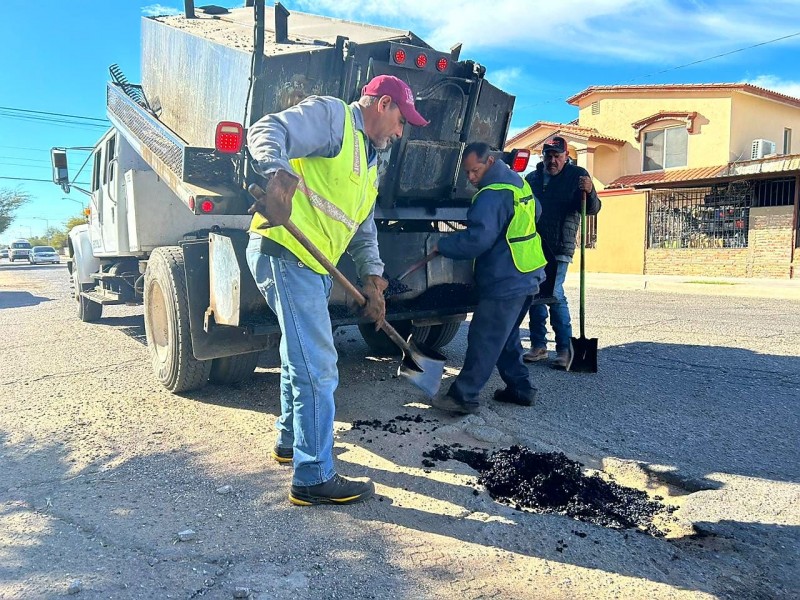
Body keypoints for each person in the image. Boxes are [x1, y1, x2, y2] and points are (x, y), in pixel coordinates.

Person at [245, 75, 429, 505]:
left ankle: (291, 442)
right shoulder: (333, 118)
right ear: (383, 104)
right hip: (285, 251)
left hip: (312, 266)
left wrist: (373, 278)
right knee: (319, 365)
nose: (401, 133)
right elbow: (266, 129)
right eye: (401, 121)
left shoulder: (369, 163)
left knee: (301, 355)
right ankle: (313, 475)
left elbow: (362, 226)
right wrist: (277, 173)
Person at [430, 142, 547, 415]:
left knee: (484, 337)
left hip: (506, 278)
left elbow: (477, 240)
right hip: (528, 273)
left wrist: (443, 245)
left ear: (490, 162)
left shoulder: (492, 194)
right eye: (467, 173)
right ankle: (520, 389)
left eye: (475, 170)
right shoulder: (517, 183)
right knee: (504, 337)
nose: (471, 178)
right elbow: (537, 212)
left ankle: (463, 396)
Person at [523, 135, 601, 368]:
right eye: (549, 156)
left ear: (566, 156)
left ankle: (565, 349)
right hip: (535, 247)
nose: (553, 160)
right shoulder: (532, 178)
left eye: (557, 156)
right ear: (543, 157)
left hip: (560, 246)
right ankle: (538, 346)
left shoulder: (578, 176)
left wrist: (590, 192)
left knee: (554, 294)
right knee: (535, 294)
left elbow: (591, 209)